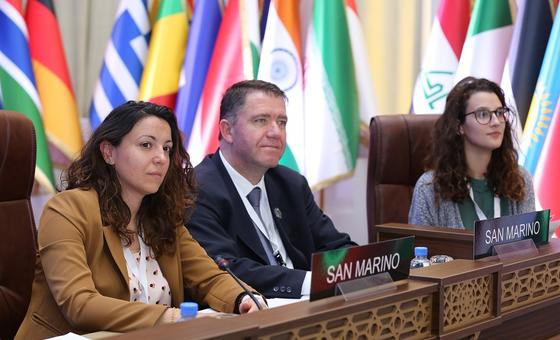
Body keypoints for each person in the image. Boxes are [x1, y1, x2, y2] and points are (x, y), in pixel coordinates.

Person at [16, 101, 262, 339]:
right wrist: (171, 318)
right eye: (146, 145)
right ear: (108, 152)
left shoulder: (162, 218)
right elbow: (79, 304)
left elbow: (209, 277)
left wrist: (243, 299)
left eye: (166, 148)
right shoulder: (67, 211)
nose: (161, 158)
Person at [186, 80, 357, 299]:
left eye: (282, 122)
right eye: (261, 120)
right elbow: (224, 269)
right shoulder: (196, 190)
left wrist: (365, 266)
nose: (276, 132)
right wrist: (312, 282)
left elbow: (334, 245)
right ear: (227, 131)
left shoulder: (291, 184)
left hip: (308, 307)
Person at [409, 77, 535, 229]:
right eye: (483, 114)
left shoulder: (519, 180)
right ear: (459, 126)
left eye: (499, 112)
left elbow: (530, 247)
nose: (496, 122)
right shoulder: (429, 188)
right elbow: (422, 249)